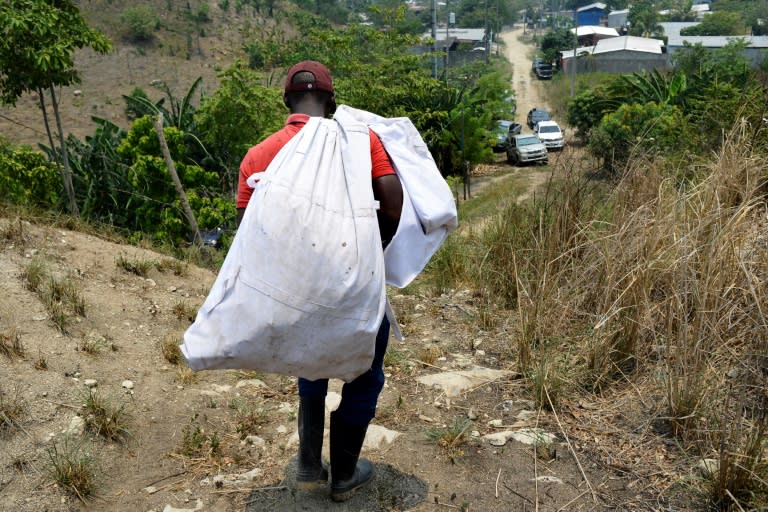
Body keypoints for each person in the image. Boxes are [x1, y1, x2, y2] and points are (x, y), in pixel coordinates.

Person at [236, 60, 403, 502]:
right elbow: (391, 203)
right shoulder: (360, 141)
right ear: (331, 100)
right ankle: (344, 474)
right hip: (355, 285)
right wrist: (371, 252)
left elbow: (251, 234)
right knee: (364, 376)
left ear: (286, 100)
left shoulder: (258, 155)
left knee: (310, 365)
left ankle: (310, 466)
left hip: (297, 292)